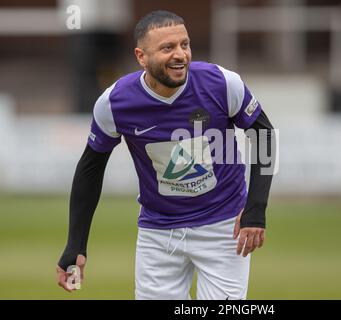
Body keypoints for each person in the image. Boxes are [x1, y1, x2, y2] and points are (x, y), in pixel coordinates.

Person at [56, 10, 275, 300]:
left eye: (184, 44)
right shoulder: (114, 103)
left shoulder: (222, 83)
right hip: (158, 233)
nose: (180, 55)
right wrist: (76, 245)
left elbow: (263, 134)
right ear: (141, 56)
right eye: (167, 48)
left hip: (224, 229)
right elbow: (90, 168)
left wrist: (255, 210)